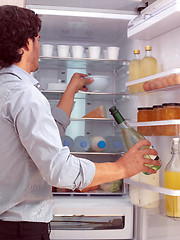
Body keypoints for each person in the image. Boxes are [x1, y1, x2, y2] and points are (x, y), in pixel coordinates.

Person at [0, 5, 161, 240]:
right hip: (21, 227)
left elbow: (44, 139)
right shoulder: (25, 95)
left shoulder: (7, 89)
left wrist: (70, 92)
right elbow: (58, 170)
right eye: (37, 39)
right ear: (26, 44)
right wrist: (122, 168)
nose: (39, 46)